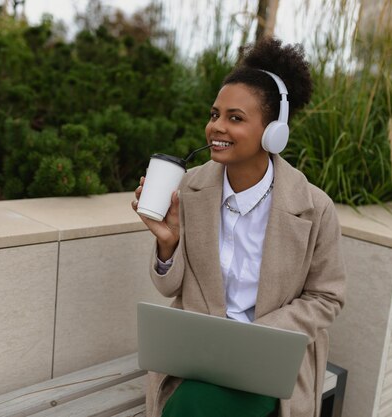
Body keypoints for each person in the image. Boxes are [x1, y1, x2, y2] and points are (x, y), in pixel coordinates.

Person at [131, 37, 346, 417]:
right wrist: (168, 246)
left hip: (266, 361)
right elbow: (168, 286)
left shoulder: (316, 208)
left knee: (197, 409)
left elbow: (327, 298)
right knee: (193, 402)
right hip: (197, 357)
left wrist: (259, 337)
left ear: (273, 132)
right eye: (215, 114)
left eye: (235, 118)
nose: (217, 127)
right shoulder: (189, 188)